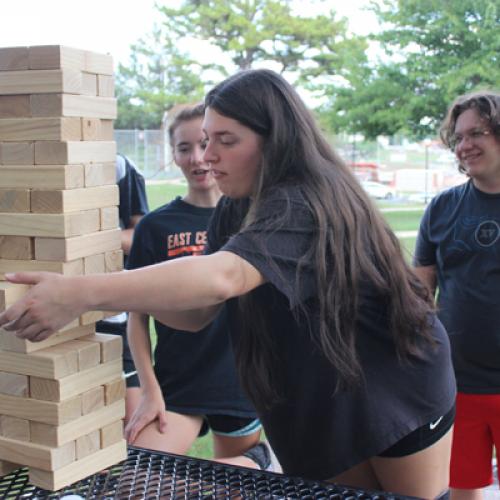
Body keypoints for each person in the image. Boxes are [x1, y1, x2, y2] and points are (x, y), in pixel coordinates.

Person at [0, 69, 455, 498]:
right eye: (203, 140)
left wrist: (80, 293)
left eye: (226, 140)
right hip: (325, 392)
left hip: (396, 385)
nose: (207, 154)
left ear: (274, 141)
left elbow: (223, 277)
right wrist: (129, 292)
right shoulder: (236, 208)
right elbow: (197, 315)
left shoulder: (306, 200)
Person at [124, 103, 264, 466]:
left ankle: (259, 461)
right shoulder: (154, 227)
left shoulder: (253, 218)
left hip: (239, 384)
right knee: (140, 480)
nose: (198, 158)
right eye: (184, 148)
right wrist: (149, 390)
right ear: (173, 154)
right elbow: (136, 317)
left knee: (236, 487)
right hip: (177, 385)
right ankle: (264, 461)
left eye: (204, 144)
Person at [413, 91, 500, 500]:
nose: (465, 145)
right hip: (456, 384)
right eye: (458, 137)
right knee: (464, 488)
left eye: (476, 133)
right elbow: (418, 293)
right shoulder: (442, 208)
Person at [96, 153, 149, 418]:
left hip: (112, 315)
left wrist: (83, 239)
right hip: (56, 317)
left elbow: (140, 234)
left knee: (131, 424)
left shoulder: (118, 165)